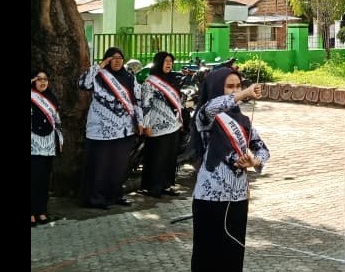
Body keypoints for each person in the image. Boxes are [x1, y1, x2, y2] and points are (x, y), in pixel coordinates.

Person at [190, 67, 270, 272]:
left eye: (238, 86)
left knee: (233, 253)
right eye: (229, 87)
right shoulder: (207, 116)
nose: (235, 90)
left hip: (238, 197)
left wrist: (254, 161)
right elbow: (213, 107)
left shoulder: (243, 121)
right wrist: (245, 93)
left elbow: (262, 149)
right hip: (210, 197)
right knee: (207, 256)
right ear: (217, 87)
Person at [78, 47, 143, 209]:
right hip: (100, 131)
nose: (117, 61)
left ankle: (114, 195)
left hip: (124, 130)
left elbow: (137, 100)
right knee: (100, 166)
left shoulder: (129, 77)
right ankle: (95, 198)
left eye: (120, 58)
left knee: (118, 166)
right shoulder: (99, 76)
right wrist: (99, 66)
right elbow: (82, 83)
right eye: (113, 58)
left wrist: (140, 122)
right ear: (107, 60)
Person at [139, 51, 183, 198]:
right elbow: (145, 104)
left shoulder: (173, 79)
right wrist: (146, 125)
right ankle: (152, 187)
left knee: (170, 158)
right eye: (166, 61)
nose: (169, 64)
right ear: (159, 63)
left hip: (173, 125)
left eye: (171, 61)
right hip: (156, 126)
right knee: (156, 157)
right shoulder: (150, 82)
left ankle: (166, 185)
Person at [31, 70, 63, 227]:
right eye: (38, 79)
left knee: (44, 179)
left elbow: (57, 121)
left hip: (48, 144)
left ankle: (42, 211)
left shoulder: (52, 98)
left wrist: (60, 140)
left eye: (45, 79)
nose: (43, 82)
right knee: (33, 179)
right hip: (33, 143)